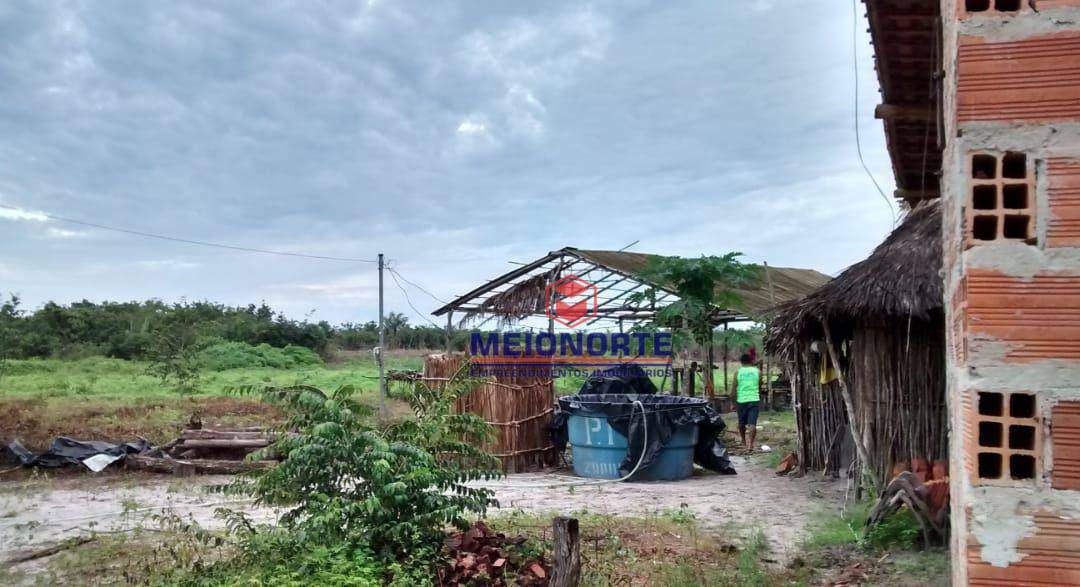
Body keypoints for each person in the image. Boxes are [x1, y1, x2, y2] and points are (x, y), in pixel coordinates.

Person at [730, 353, 761, 450]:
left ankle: (743, 441)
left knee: (741, 422)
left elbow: (734, 389)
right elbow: (759, 385)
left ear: (741, 362)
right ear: (751, 361)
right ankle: (751, 444)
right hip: (754, 399)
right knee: (752, 423)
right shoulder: (758, 371)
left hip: (741, 400)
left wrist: (732, 402)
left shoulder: (737, 372)